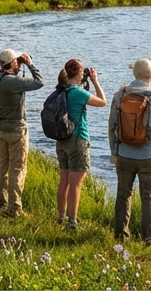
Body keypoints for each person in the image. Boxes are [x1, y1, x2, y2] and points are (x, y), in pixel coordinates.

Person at [109, 58, 151, 246]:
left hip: (124, 154)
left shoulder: (119, 96)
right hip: (149, 156)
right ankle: (149, 240)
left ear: (133, 73)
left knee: (123, 195)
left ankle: (121, 236)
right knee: (148, 198)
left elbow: (112, 126)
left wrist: (115, 153)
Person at [0, 49, 44, 217]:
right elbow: (39, 82)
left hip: (2, 130)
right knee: (17, 169)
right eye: (16, 61)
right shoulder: (12, 83)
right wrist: (29, 64)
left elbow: (15, 79)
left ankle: (1, 202)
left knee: (3, 167)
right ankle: (15, 208)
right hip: (16, 131)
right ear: (12, 63)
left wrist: (18, 64)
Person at [54, 58, 105, 231]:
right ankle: (72, 222)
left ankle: (61, 217)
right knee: (76, 184)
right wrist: (95, 81)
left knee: (64, 181)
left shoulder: (61, 89)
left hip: (61, 140)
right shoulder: (78, 93)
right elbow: (102, 102)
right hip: (78, 140)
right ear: (80, 73)